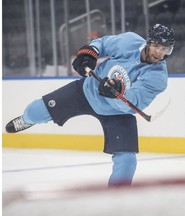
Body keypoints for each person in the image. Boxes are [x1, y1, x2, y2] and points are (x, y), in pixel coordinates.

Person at [5, 24, 176, 187]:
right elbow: (101, 44)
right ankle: (27, 120)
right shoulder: (129, 41)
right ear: (148, 42)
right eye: (158, 47)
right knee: (35, 111)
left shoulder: (158, 77)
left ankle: (117, 199)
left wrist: (117, 91)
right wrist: (88, 54)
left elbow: (132, 104)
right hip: (86, 91)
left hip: (117, 112)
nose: (160, 53)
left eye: (165, 49)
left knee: (127, 160)